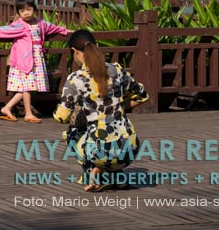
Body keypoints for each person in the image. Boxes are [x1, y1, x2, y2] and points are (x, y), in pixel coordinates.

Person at [54, 29, 149, 192]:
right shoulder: (116, 70)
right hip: (130, 149)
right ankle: (117, 174)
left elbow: (61, 117)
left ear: (74, 52)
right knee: (113, 138)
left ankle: (93, 172)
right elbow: (142, 96)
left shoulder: (76, 79)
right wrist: (119, 106)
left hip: (99, 150)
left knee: (71, 133)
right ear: (97, 46)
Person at [0, 0, 68, 123]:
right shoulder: (20, 26)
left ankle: (6, 108)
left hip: (36, 60)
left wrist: (67, 31)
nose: (26, 13)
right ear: (18, 13)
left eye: (28, 9)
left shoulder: (40, 23)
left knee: (27, 88)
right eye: (22, 11)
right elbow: (1, 31)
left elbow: (53, 28)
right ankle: (28, 114)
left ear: (34, 9)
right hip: (25, 61)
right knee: (27, 88)